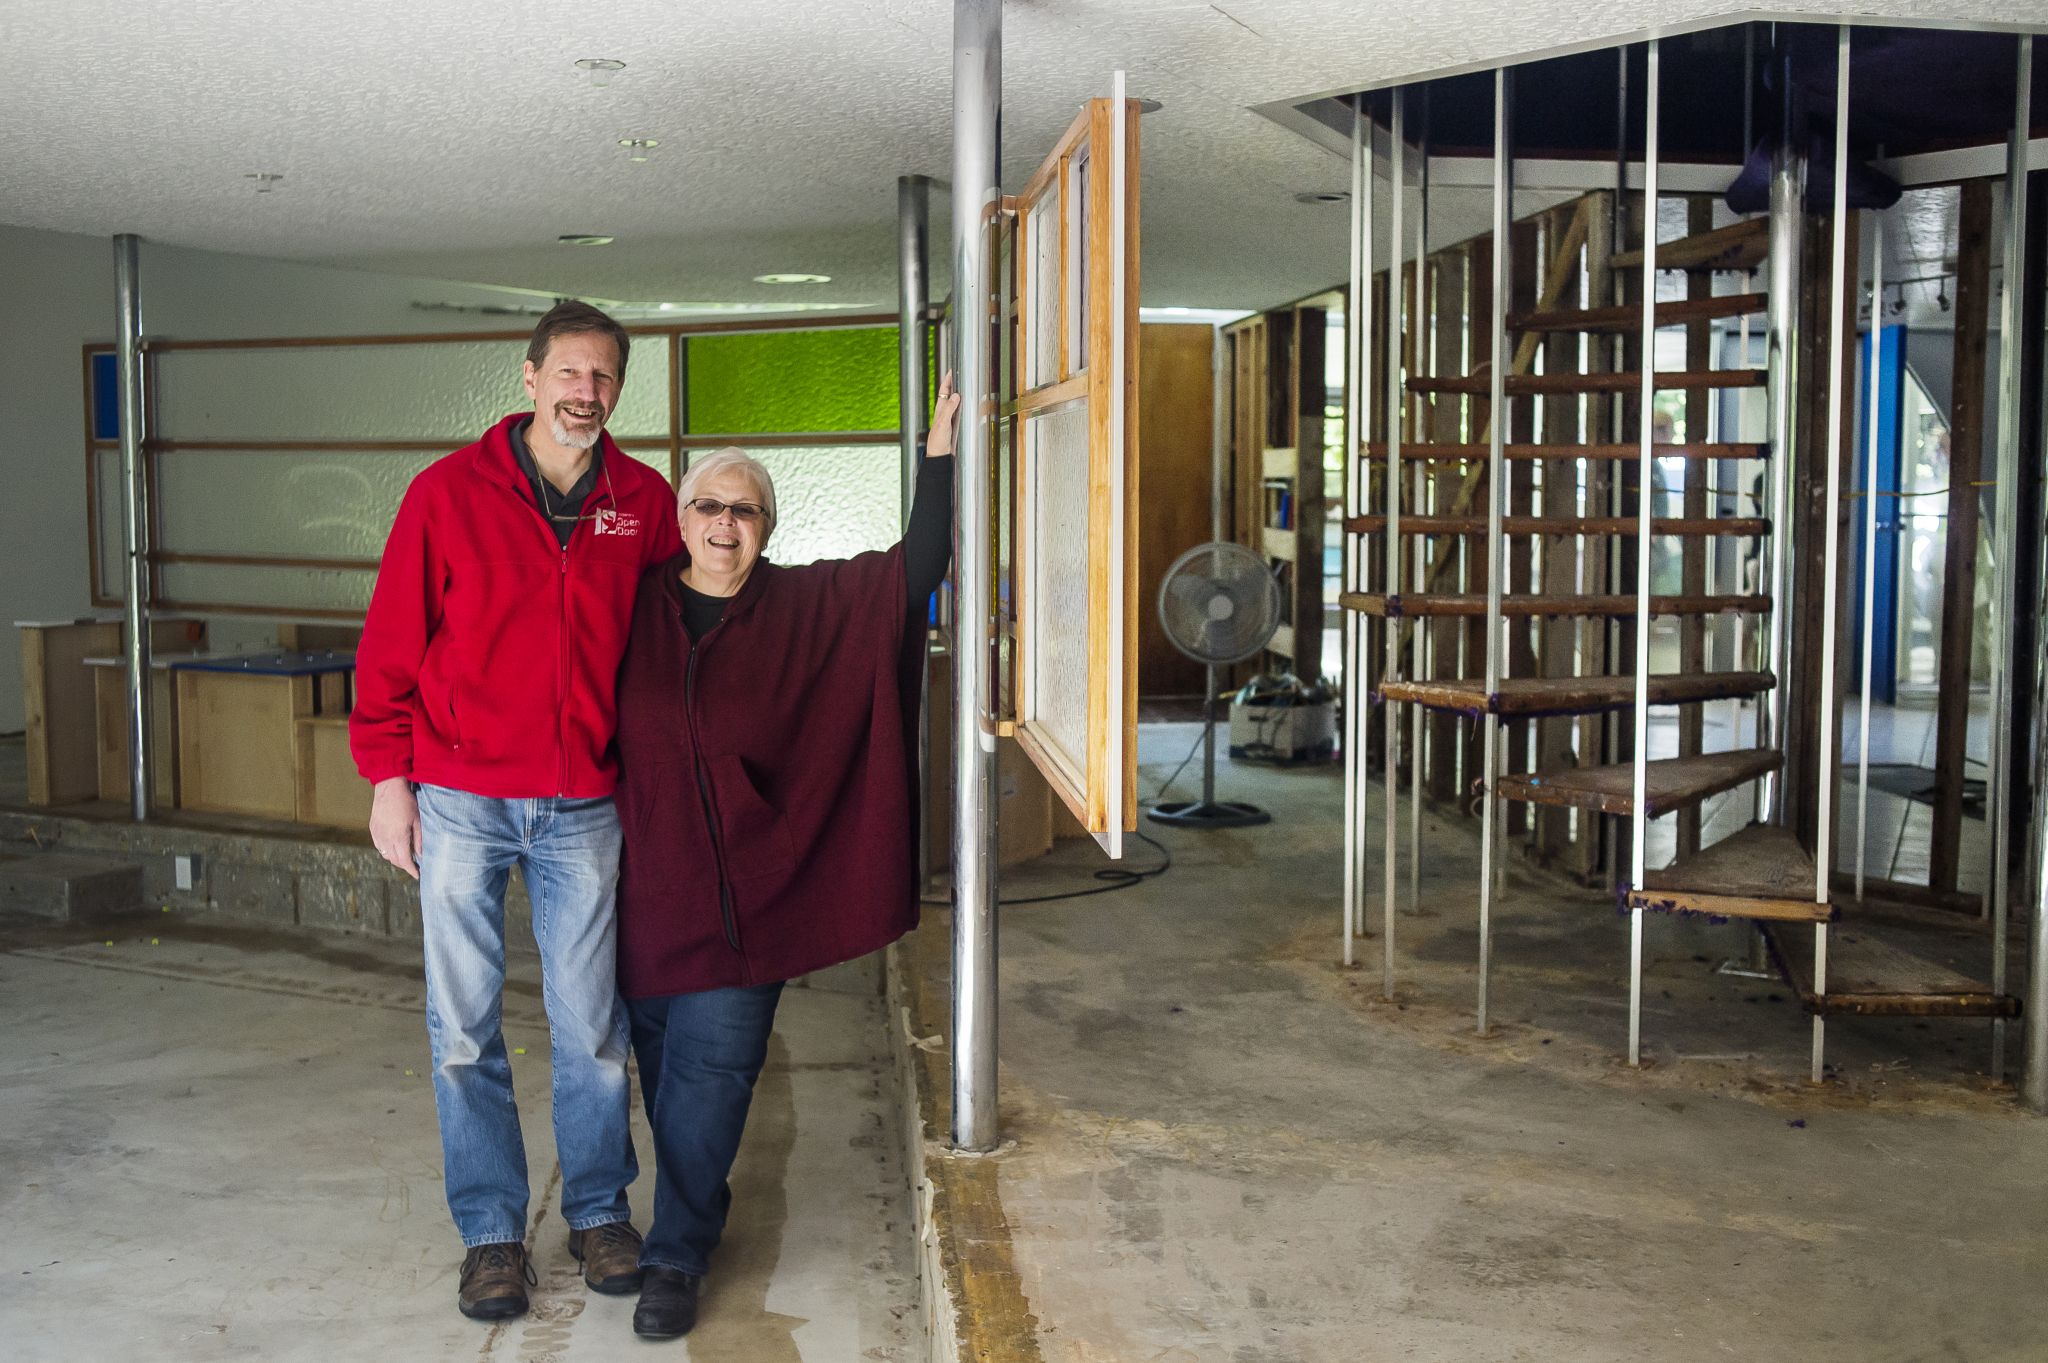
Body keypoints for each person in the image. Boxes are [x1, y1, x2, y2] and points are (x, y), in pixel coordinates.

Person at [610, 375, 962, 1339]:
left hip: (746, 916)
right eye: (710, 505)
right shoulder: (625, 608)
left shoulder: (809, 605)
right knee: (658, 1079)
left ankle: (674, 1254)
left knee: (710, 1085)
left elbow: (915, 566)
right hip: (643, 899)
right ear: (679, 517)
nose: (726, 525)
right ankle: (688, 1218)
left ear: (769, 525)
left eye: (747, 510)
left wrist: (939, 461)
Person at [350, 301, 681, 1321]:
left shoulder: (642, 502)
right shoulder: (447, 495)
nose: (587, 394)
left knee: (590, 1026)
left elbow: (674, 642)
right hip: (458, 794)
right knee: (461, 1027)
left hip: (584, 798)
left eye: (605, 380)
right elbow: (393, 639)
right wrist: (386, 774)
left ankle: (595, 1209)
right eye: (570, 375)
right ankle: (492, 1232)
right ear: (529, 376)